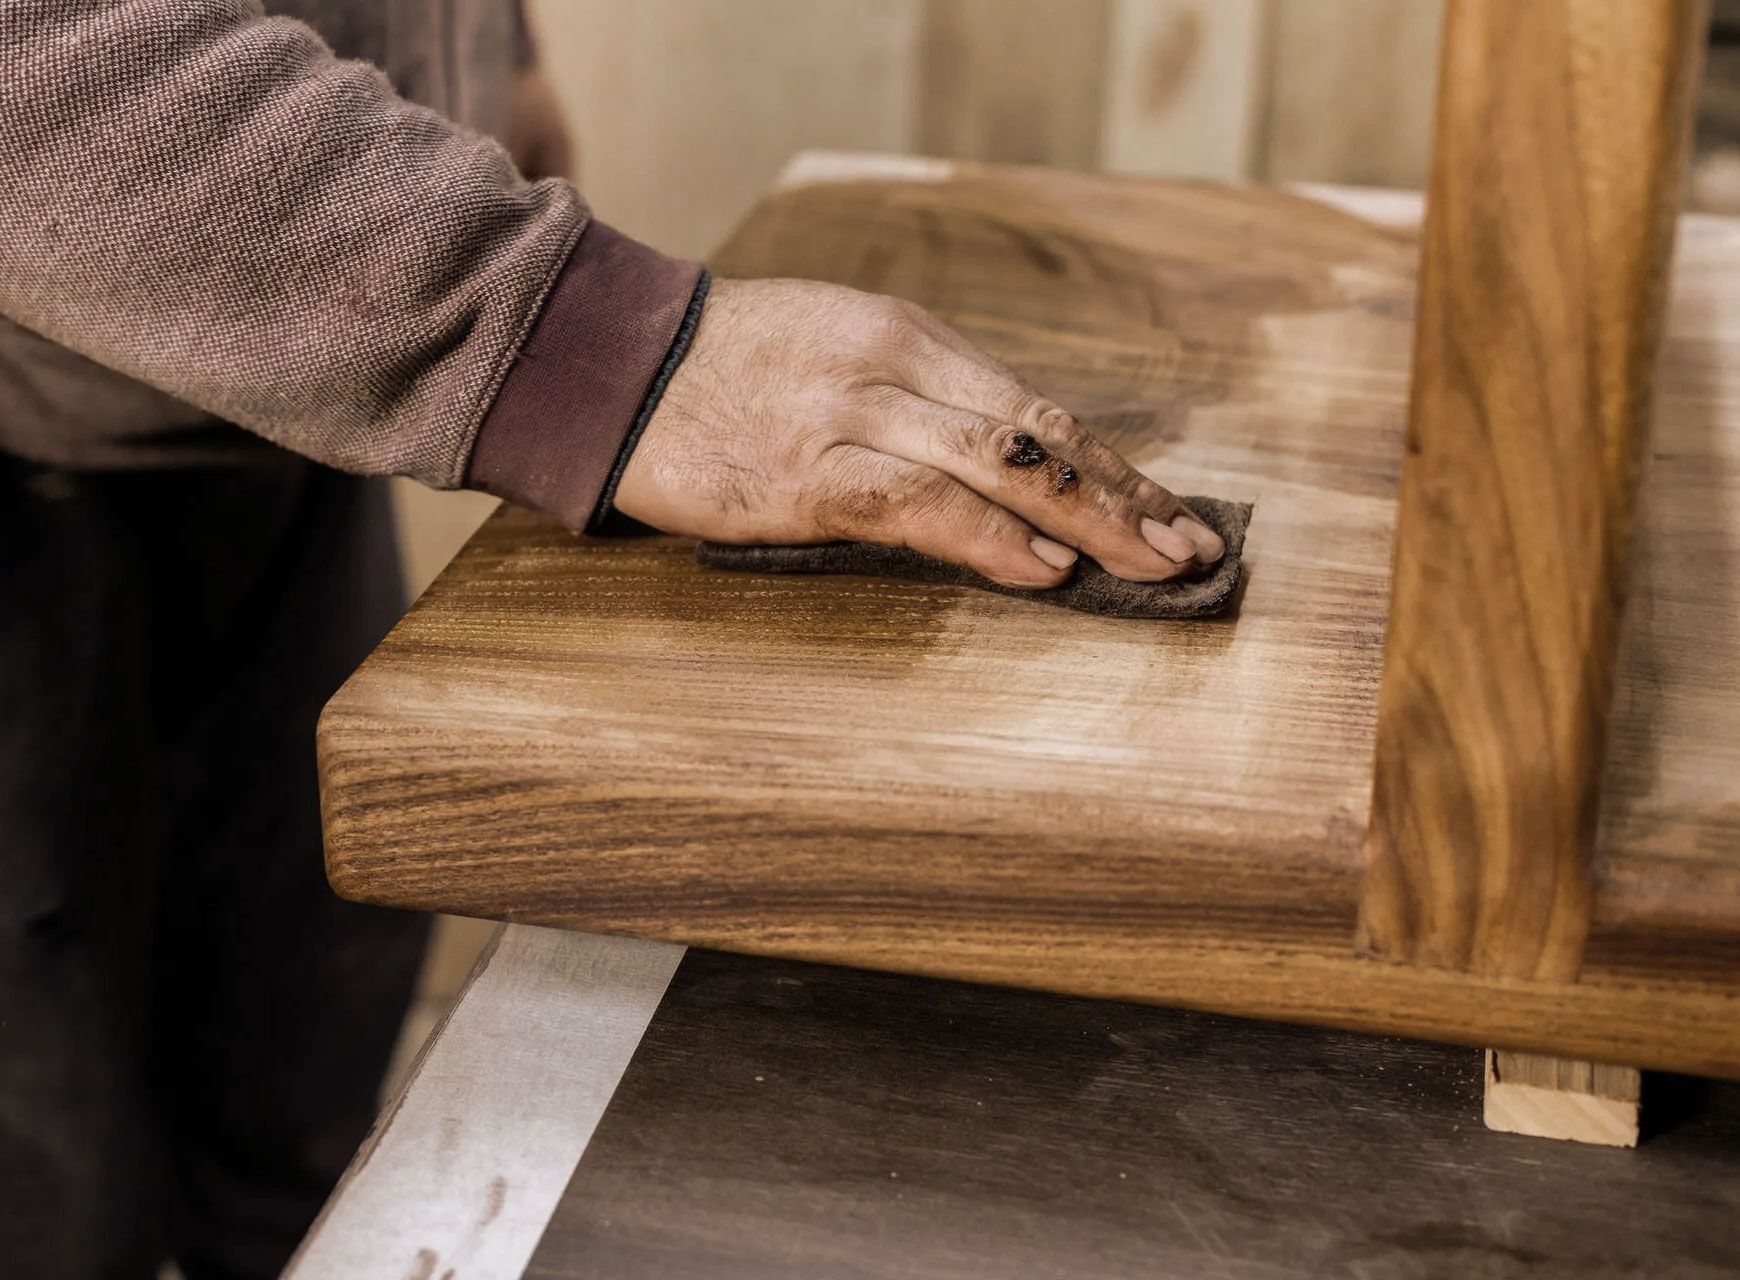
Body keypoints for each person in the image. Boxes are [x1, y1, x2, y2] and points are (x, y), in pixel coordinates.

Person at [0, 3, 1224, 1276]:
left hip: (269, 420)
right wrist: (570, 334)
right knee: (51, 1186)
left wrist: (477, 50)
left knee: (295, 1107)